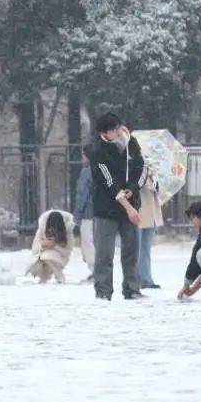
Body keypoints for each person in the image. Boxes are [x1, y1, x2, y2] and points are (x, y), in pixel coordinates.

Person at [89, 113, 147, 301]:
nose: (117, 132)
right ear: (104, 132)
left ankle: (132, 288)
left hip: (130, 203)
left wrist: (132, 188)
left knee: (131, 251)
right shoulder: (97, 150)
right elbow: (108, 180)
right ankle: (103, 290)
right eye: (113, 130)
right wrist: (124, 201)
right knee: (104, 254)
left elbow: (141, 167)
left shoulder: (131, 144)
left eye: (118, 127)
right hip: (106, 208)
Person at [25, 209, 75, 283]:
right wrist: (43, 245)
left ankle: (59, 276)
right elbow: (34, 248)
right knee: (35, 264)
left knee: (47, 256)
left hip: (58, 257)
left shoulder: (67, 231)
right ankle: (44, 276)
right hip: (42, 255)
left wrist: (54, 245)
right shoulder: (42, 228)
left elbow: (67, 251)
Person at [72, 146, 96, 283]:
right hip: (102, 213)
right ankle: (101, 271)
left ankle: (95, 270)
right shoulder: (104, 170)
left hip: (88, 213)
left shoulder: (86, 172)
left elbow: (82, 194)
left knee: (88, 242)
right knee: (99, 243)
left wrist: (77, 214)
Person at [136, 168, 162, 289]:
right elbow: (136, 185)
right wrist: (146, 174)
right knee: (137, 248)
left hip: (151, 214)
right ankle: (136, 278)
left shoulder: (154, 173)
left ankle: (146, 279)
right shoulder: (133, 166)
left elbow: (158, 190)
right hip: (139, 212)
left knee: (146, 248)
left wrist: (154, 179)